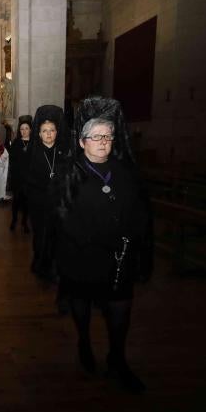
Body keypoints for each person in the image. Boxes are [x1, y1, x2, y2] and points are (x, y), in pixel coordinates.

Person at [56, 97, 150, 394]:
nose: (103, 142)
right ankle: (84, 341)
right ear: (82, 141)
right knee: (81, 302)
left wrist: (132, 236)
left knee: (121, 307)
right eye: (96, 136)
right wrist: (96, 237)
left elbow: (140, 211)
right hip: (83, 254)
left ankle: (117, 359)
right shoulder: (69, 173)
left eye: (108, 136)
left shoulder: (125, 172)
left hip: (119, 257)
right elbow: (62, 216)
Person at [26, 105, 70, 283]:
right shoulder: (33, 153)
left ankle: (55, 267)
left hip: (58, 204)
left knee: (57, 236)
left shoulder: (63, 153)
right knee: (41, 235)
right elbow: (29, 181)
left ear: (57, 132)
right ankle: (40, 265)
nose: (49, 134)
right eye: (44, 131)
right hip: (39, 204)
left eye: (52, 130)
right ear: (39, 134)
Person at [8, 115, 33, 232]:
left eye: (26, 128)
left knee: (27, 202)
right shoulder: (16, 143)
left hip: (29, 178)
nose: (24, 131)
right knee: (16, 201)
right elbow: (12, 160)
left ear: (30, 130)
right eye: (22, 129)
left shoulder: (34, 143)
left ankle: (24, 222)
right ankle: (14, 220)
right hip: (18, 178)